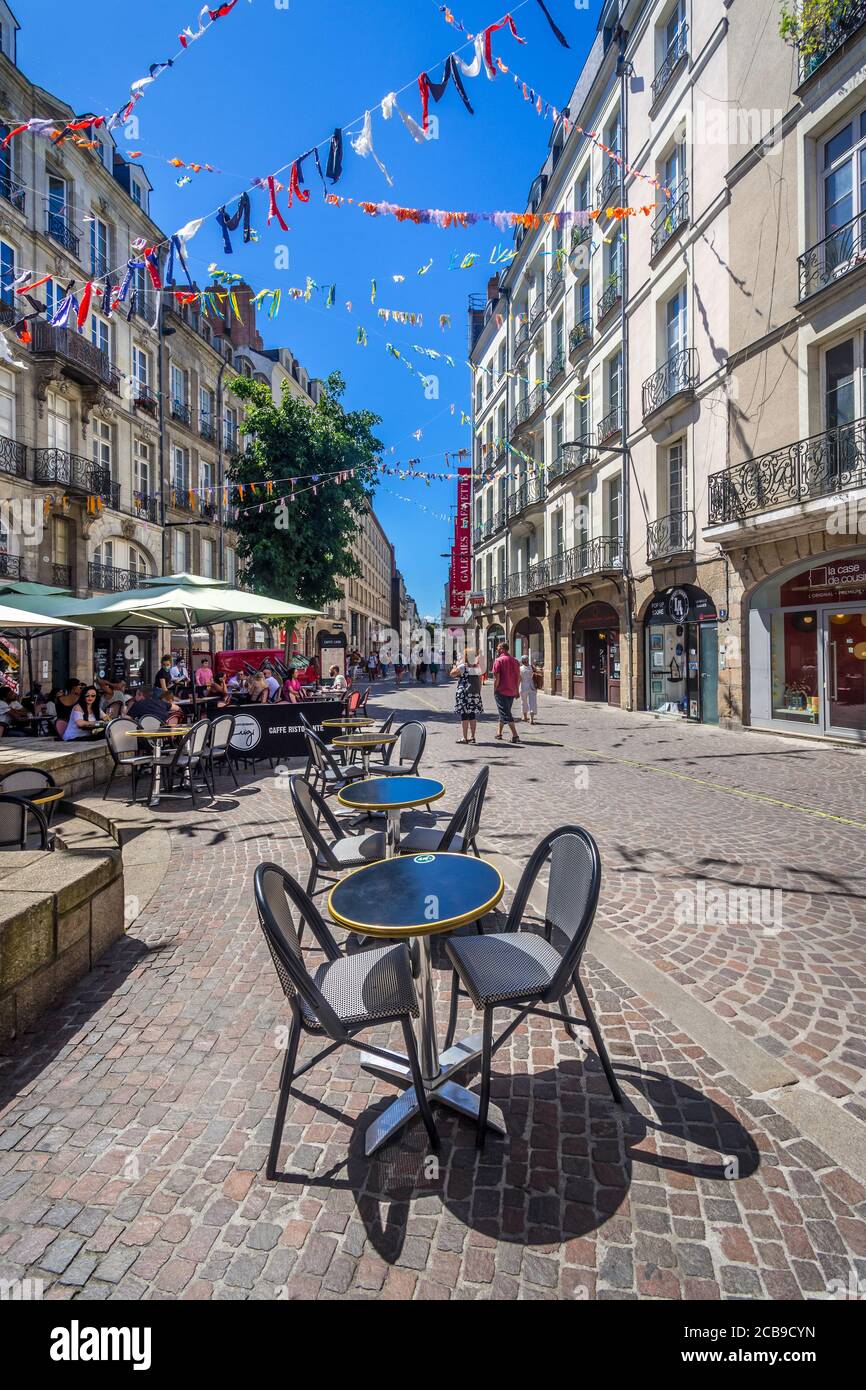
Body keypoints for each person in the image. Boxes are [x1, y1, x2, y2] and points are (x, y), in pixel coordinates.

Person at [451, 648, 483, 744]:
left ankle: (465, 738)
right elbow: (480, 681)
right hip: (474, 693)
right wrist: (478, 692)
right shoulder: (477, 667)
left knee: (464, 715)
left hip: (464, 693)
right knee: (472, 715)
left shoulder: (462, 667)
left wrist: (455, 665)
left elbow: (452, 674)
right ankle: (472, 737)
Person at [492, 640, 521, 744]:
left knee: (506, 713)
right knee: (504, 711)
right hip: (512, 691)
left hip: (502, 691)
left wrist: (495, 689)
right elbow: (519, 678)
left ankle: (515, 735)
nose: (497, 651)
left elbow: (496, 678)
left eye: (498, 649)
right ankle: (499, 733)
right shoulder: (515, 661)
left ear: (502, 649)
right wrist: (517, 690)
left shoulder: (498, 661)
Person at [519, 654, 538, 725]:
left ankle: (524, 716)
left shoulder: (520, 669)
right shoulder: (532, 667)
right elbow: (537, 673)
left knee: (523, 702)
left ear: (522, 661)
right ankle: (531, 719)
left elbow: (519, 679)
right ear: (527, 660)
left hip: (523, 686)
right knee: (532, 702)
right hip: (532, 686)